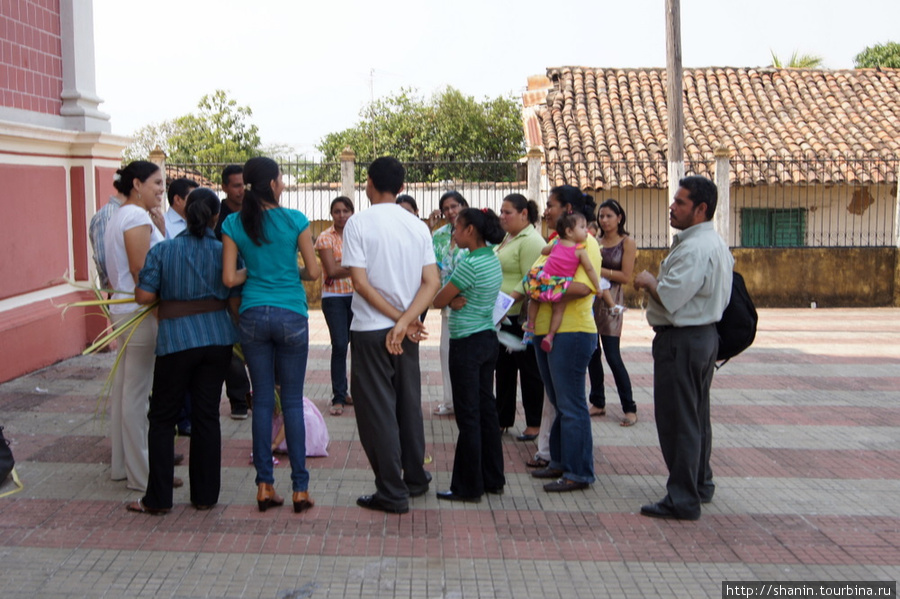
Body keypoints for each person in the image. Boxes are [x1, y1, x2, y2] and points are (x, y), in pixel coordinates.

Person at [127, 188, 238, 514]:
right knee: (207, 417)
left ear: (185, 214)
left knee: (162, 418)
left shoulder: (164, 250)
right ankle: (205, 497)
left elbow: (144, 296)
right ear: (216, 217)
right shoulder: (225, 253)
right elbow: (235, 298)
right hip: (217, 340)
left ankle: (158, 500)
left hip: (175, 342)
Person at [222, 157, 321, 514]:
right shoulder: (295, 220)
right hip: (291, 314)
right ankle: (300, 489)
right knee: (291, 400)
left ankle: (264, 485)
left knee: (262, 400)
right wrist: (285, 266)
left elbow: (230, 279)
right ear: (275, 183)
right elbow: (312, 271)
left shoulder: (234, 222)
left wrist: (256, 270)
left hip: (252, 315)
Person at [341, 156, 440, 515]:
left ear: (368, 182)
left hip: (370, 330)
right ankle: (414, 477)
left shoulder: (358, 223)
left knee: (376, 411)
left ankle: (391, 492)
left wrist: (400, 320)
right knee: (407, 404)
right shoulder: (416, 226)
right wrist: (407, 321)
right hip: (406, 331)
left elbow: (360, 283)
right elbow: (432, 282)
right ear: (401, 187)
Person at [634, 176, 733, 521]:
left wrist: (649, 282)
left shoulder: (695, 248)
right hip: (702, 337)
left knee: (679, 420)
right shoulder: (713, 243)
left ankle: (682, 498)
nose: (672, 208)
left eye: (680, 202)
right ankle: (699, 483)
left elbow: (673, 298)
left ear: (701, 209)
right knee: (696, 417)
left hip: (684, 340)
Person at [529, 185, 600, 493]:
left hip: (571, 332)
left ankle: (579, 472)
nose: (546, 211)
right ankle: (559, 461)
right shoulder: (555, 242)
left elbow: (584, 288)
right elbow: (532, 277)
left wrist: (542, 287)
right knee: (559, 402)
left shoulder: (587, 243)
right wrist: (540, 285)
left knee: (571, 405)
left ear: (568, 210)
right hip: (544, 331)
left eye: (551, 205)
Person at [432, 208, 505, 502]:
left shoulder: (469, 264)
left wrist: (452, 300)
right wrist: (457, 299)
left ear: (471, 230)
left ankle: (467, 486)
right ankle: (492, 478)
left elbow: (439, 299)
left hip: (466, 343)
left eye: (457, 229)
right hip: (488, 338)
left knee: (468, 415)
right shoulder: (492, 259)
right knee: (486, 410)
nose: (454, 234)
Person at [103, 160, 166, 493]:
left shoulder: (119, 215)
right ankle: (143, 476)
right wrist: (159, 309)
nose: (161, 190)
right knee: (137, 395)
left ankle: (123, 468)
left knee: (126, 391)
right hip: (139, 311)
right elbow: (142, 270)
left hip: (123, 308)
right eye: (156, 183)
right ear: (137, 183)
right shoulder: (136, 217)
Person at [519, 212, 620, 353]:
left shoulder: (556, 243)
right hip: (561, 284)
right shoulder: (580, 250)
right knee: (558, 309)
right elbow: (590, 269)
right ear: (569, 231)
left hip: (545, 279)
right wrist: (597, 287)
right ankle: (550, 336)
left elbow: (543, 251)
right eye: (582, 227)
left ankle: (530, 325)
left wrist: (551, 247)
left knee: (535, 299)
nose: (587, 230)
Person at [494, 194, 545, 441]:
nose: (502, 217)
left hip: (518, 314)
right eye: (501, 212)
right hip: (502, 315)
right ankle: (503, 418)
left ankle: (534, 422)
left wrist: (506, 303)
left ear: (524, 214)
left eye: (508, 212)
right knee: (503, 369)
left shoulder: (531, 240)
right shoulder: (509, 236)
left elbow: (531, 279)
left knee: (528, 370)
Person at [587, 199, 638, 425]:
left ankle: (629, 407)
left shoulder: (627, 242)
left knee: (612, 355)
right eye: (601, 216)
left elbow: (626, 276)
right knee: (591, 354)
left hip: (611, 302)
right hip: (591, 299)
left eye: (609, 216)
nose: (604, 220)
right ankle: (598, 402)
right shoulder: (594, 242)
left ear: (619, 218)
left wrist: (600, 270)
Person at [214, 164, 251, 421]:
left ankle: (262, 397)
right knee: (232, 348)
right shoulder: (217, 216)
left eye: (244, 185)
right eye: (236, 185)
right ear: (225, 187)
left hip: (254, 286)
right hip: (225, 286)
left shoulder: (255, 212)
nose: (241, 191)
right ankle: (238, 400)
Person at [428, 191, 469, 417]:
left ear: (463, 205)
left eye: (454, 206)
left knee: (470, 354)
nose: (451, 212)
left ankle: (468, 400)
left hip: (472, 302)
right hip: (447, 302)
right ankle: (450, 401)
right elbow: (434, 268)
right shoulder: (439, 235)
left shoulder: (475, 230)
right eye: (446, 208)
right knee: (446, 351)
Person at [315, 196, 355, 416]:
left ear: (352, 212)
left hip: (359, 296)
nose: (341, 215)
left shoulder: (359, 234)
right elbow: (331, 271)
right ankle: (338, 396)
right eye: (337, 211)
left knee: (359, 347)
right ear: (331, 214)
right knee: (340, 345)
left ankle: (355, 393)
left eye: (346, 211)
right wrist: (358, 266)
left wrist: (343, 265)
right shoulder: (324, 237)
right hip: (334, 298)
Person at [89, 191, 124, 289]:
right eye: (157, 183)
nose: (161, 189)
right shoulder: (107, 216)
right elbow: (107, 264)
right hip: (121, 297)